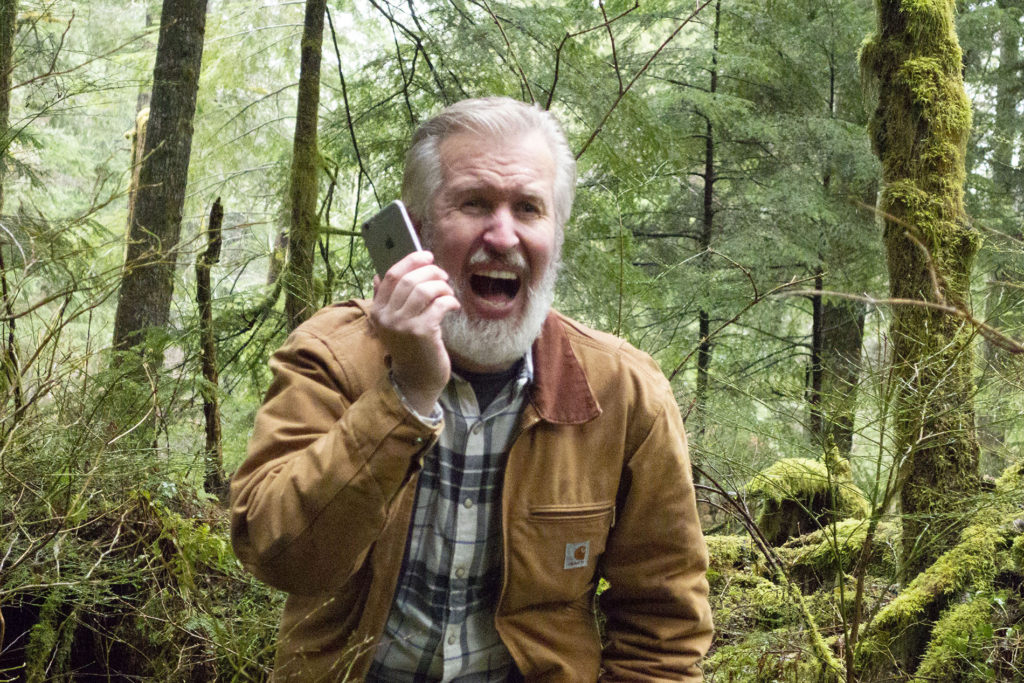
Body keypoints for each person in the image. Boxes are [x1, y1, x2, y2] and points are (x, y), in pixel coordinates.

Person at [230, 96, 713, 682]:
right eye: (474, 203)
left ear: (556, 235)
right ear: (417, 231)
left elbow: (665, 628)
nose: (503, 235)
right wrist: (405, 395)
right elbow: (280, 555)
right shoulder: (332, 355)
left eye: (529, 209)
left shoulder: (624, 392)